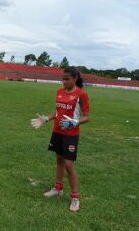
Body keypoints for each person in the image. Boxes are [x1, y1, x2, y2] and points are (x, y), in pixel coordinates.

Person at [31, 66, 90, 212]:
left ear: (75, 78)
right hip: (57, 132)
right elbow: (58, 112)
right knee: (59, 160)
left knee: (69, 165)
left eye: (67, 79)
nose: (63, 81)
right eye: (62, 78)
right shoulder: (59, 92)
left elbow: (87, 116)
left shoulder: (81, 94)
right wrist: (46, 119)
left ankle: (75, 197)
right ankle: (58, 188)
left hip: (71, 135)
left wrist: (75, 122)